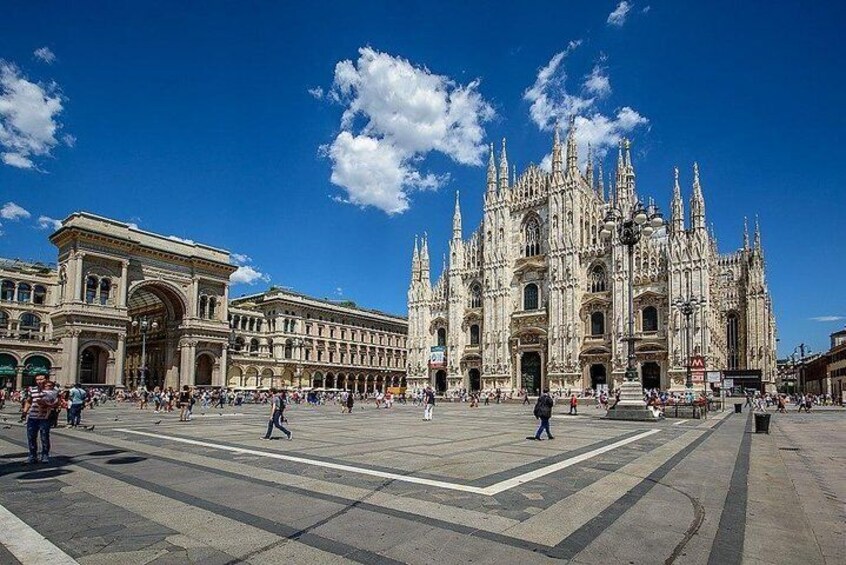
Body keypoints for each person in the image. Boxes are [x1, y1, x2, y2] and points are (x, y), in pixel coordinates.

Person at [23, 375, 59, 464]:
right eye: (37, 379)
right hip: (32, 417)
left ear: (46, 379)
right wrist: (24, 412)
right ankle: (32, 456)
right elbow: (28, 401)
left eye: (41, 379)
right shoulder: (32, 389)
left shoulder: (53, 390)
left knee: (44, 437)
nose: (39, 381)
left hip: (45, 418)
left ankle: (45, 455)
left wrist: (49, 405)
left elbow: (58, 402)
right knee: (31, 437)